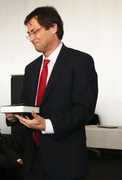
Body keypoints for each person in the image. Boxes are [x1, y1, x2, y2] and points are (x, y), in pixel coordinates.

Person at [6, 6, 98, 180]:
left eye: (35, 31)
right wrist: (13, 116)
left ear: (53, 28)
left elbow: (84, 109)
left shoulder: (80, 61)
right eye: (29, 34)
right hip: (33, 160)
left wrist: (48, 125)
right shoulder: (31, 69)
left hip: (65, 161)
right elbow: (26, 105)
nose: (31, 38)